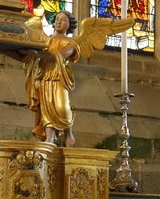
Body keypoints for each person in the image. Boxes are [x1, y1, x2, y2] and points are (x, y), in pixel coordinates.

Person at [17, 11, 129, 144]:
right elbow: (26, 57)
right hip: (44, 77)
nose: (59, 22)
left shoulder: (72, 43)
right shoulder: (44, 40)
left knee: (61, 107)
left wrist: (36, 53)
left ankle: (69, 135)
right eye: (57, 19)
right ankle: (50, 137)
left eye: (63, 20)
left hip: (60, 78)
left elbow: (60, 55)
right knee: (46, 108)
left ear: (69, 24)